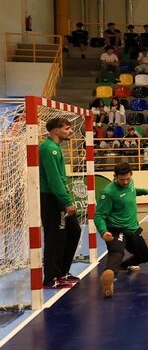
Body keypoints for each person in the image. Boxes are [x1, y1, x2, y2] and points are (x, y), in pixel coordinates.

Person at [94, 162, 148, 298]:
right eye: (122, 179)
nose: (125, 182)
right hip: (116, 229)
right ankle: (109, 276)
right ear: (115, 177)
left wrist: (146, 191)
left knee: (145, 257)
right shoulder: (108, 193)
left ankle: (123, 266)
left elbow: (133, 190)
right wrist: (103, 231)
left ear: (131, 175)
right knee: (117, 251)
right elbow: (99, 215)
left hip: (133, 229)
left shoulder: (130, 183)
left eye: (128, 178)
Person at [39, 117, 82, 289]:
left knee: (73, 231)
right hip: (52, 198)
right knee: (54, 238)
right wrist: (66, 201)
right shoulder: (50, 149)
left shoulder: (55, 148)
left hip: (57, 197)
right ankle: (50, 278)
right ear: (56, 131)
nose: (70, 131)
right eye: (66, 128)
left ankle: (62, 272)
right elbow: (54, 179)